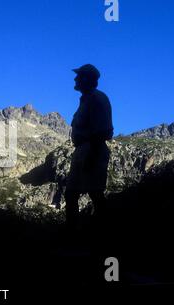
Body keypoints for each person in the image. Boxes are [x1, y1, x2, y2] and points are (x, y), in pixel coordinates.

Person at [65, 64, 114, 230]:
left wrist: (91, 155)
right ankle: (77, 234)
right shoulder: (87, 99)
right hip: (84, 150)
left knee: (94, 192)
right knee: (72, 194)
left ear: (87, 79)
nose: (75, 79)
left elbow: (105, 130)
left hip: (92, 149)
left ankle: (97, 234)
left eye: (79, 76)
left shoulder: (96, 99)